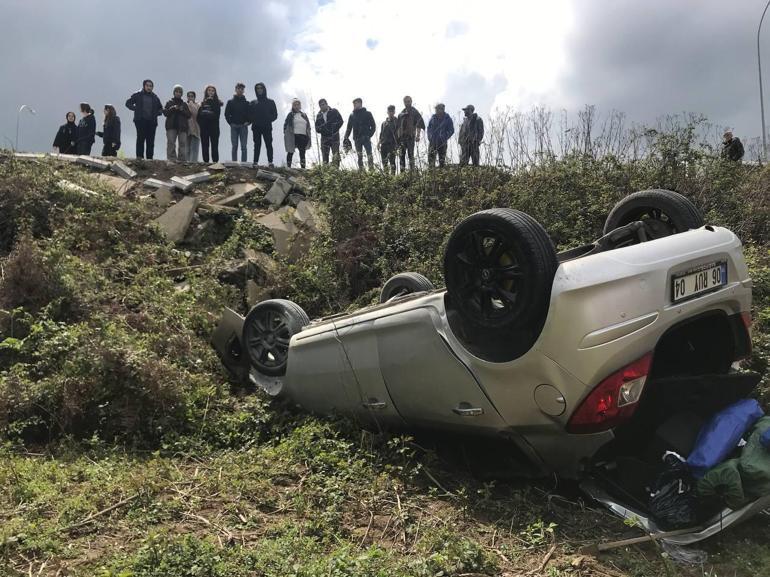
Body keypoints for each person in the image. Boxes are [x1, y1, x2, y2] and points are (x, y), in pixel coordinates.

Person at [125, 79, 163, 159]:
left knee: (150, 141)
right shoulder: (138, 95)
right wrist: (136, 109)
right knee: (140, 139)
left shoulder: (155, 97)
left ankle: (149, 159)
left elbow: (160, 108)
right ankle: (139, 157)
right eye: (147, 85)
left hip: (152, 122)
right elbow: (128, 103)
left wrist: (157, 113)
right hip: (140, 121)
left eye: (151, 86)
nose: (149, 87)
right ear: (144, 86)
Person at [248, 82, 278, 167]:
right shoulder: (253, 102)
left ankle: (270, 162)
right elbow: (248, 114)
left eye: (261, 88)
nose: (259, 90)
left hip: (267, 126)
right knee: (257, 144)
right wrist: (253, 120)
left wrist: (268, 119)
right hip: (256, 127)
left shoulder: (271, 102)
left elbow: (275, 115)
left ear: (264, 89)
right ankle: (255, 162)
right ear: (256, 90)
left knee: (268, 144)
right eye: (257, 88)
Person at [343, 98, 376, 170]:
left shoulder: (368, 113)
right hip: (357, 139)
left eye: (355, 103)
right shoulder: (352, 115)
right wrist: (346, 137)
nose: (354, 105)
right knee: (359, 157)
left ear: (360, 103)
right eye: (353, 104)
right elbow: (349, 128)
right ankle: (361, 171)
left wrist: (369, 135)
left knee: (369, 155)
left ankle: (371, 171)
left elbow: (373, 126)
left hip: (366, 138)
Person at [396, 96, 425, 172]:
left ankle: (412, 174)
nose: (407, 103)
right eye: (405, 101)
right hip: (402, 138)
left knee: (411, 156)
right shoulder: (401, 114)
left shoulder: (415, 112)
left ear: (411, 101)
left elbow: (419, 124)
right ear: (404, 102)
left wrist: (418, 136)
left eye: (408, 101)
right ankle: (402, 175)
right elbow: (398, 127)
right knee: (401, 157)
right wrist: (398, 139)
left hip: (410, 137)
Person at [163, 85, 191, 161]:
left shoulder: (184, 104)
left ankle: (182, 160)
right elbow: (165, 113)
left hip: (183, 127)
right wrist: (173, 108)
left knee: (183, 144)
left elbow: (189, 115)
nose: (178, 93)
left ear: (182, 94)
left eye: (180, 92)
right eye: (177, 92)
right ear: (174, 93)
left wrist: (182, 110)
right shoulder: (169, 102)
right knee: (171, 142)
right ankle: (172, 159)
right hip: (171, 126)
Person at [315, 98, 344, 167]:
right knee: (325, 155)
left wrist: (334, 129)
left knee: (335, 154)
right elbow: (317, 128)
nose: (322, 106)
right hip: (324, 137)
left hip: (334, 136)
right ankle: (326, 171)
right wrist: (323, 129)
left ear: (326, 104)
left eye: (323, 104)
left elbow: (341, 121)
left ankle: (336, 170)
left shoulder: (334, 111)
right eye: (320, 105)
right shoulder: (319, 116)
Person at [225, 82, 250, 162]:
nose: (240, 90)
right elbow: (226, 114)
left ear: (243, 91)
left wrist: (249, 122)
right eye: (238, 88)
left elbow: (251, 115)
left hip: (243, 127)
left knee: (243, 147)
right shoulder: (230, 102)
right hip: (234, 126)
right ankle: (234, 163)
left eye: (242, 89)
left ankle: (244, 164)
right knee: (234, 146)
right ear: (235, 89)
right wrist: (231, 123)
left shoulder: (247, 103)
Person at [283, 99, 311, 168]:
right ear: (293, 106)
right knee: (290, 151)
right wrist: (286, 132)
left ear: (300, 106)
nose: (296, 106)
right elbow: (286, 124)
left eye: (298, 104)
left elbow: (308, 125)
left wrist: (308, 135)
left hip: (303, 135)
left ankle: (303, 168)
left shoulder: (304, 115)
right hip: (294, 135)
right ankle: (288, 167)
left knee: (302, 152)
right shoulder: (291, 115)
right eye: (295, 105)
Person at [198, 85, 222, 163]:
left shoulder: (217, 103)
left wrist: (206, 114)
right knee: (205, 145)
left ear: (215, 93)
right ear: (206, 92)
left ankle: (215, 162)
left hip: (214, 128)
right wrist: (202, 123)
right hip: (204, 128)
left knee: (214, 145)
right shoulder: (202, 103)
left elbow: (216, 115)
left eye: (212, 90)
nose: (211, 92)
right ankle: (206, 162)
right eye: (209, 90)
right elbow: (199, 116)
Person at [426, 103, 454, 168]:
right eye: (436, 109)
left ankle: (441, 175)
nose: (436, 110)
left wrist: (444, 137)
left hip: (442, 143)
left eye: (437, 109)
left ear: (442, 109)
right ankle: (431, 175)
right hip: (432, 142)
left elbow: (451, 130)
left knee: (442, 160)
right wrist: (429, 136)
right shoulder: (433, 118)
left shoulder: (448, 119)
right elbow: (429, 128)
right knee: (431, 160)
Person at [378, 105, 399, 174]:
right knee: (384, 163)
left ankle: (393, 178)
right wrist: (379, 143)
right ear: (387, 112)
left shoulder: (397, 122)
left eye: (392, 111)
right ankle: (386, 178)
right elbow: (381, 134)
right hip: (383, 145)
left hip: (392, 145)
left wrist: (397, 145)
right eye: (389, 111)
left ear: (394, 112)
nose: (391, 113)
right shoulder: (384, 123)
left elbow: (398, 134)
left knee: (392, 163)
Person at [186, 91, 200, 162]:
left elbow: (196, 113)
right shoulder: (185, 105)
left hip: (196, 129)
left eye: (192, 96)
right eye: (189, 96)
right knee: (187, 148)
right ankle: (187, 163)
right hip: (187, 130)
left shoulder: (198, 105)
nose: (190, 98)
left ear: (194, 97)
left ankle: (194, 163)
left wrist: (191, 104)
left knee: (194, 148)